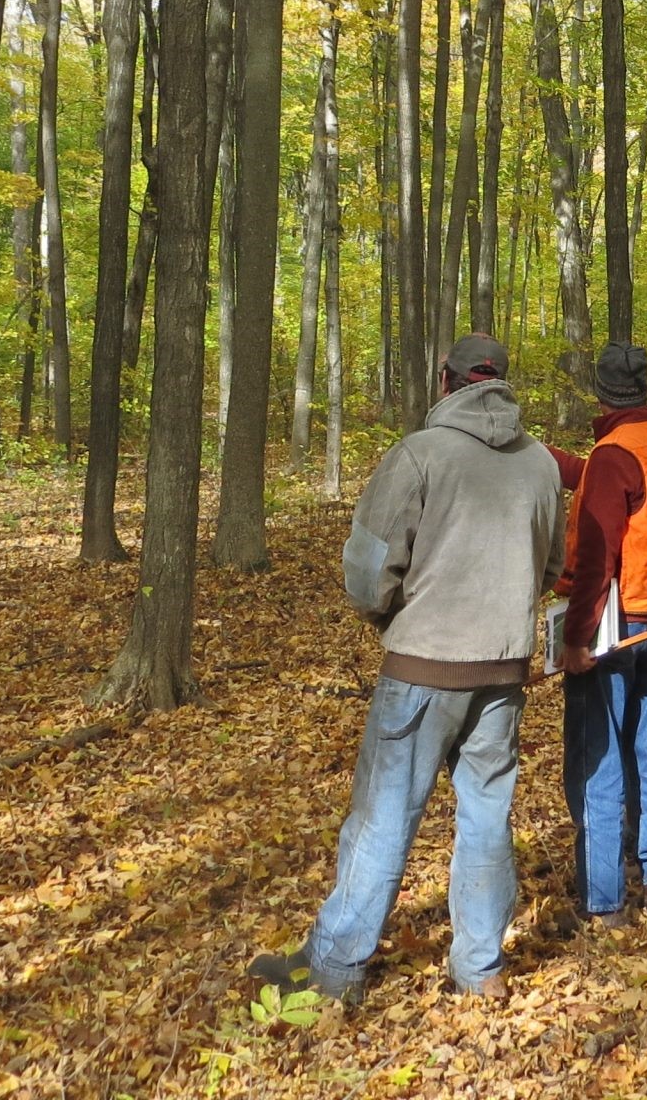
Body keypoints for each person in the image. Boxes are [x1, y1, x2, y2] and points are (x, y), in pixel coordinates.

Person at [249, 332, 563, 1004]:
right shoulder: (540, 464)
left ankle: (333, 974)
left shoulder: (418, 455)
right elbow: (551, 565)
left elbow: (367, 572)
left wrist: (389, 619)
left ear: (445, 381)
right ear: (500, 384)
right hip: (503, 670)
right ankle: (480, 971)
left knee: (384, 818)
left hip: (424, 667)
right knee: (486, 818)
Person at [554, 343, 647, 927]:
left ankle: (603, 904)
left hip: (617, 629)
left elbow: (595, 555)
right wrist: (554, 460)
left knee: (599, 759)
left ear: (599, 394)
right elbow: (617, 487)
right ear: (644, 391)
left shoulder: (616, 453)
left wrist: (575, 638)